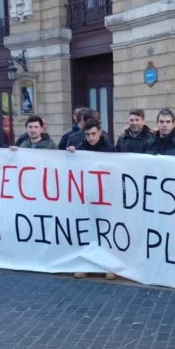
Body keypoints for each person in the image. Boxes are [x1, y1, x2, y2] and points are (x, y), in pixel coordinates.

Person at [66, 119, 116, 280]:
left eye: (93, 134)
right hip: (87, 198)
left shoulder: (110, 150)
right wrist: (71, 154)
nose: (91, 137)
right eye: (87, 134)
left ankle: (108, 266)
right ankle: (86, 265)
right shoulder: (80, 149)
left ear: (100, 133)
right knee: (88, 231)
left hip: (105, 198)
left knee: (105, 232)